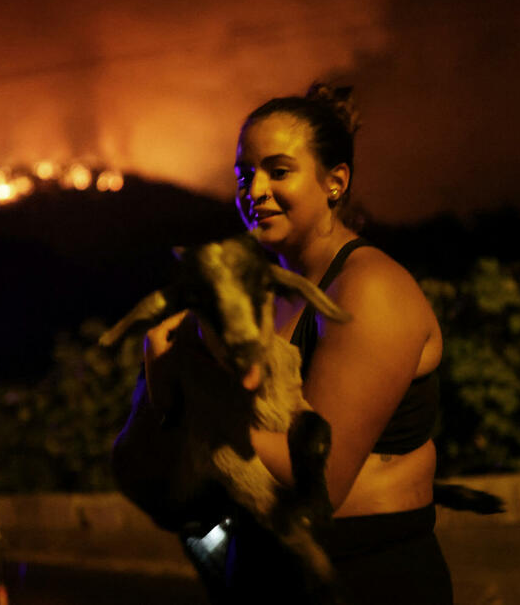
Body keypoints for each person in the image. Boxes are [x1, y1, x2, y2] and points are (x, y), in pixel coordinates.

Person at [131, 83, 452, 604]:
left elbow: (319, 480)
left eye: (278, 171)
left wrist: (207, 403)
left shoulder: (370, 289)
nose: (254, 190)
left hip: (362, 577)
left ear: (335, 181)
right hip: (262, 571)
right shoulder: (256, 299)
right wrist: (162, 373)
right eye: (244, 175)